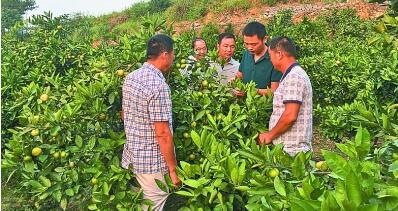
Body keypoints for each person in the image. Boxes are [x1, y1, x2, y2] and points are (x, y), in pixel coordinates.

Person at [121, 34, 181, 211]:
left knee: (142, 203)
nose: (173, 57)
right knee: (154, 205)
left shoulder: (131, 77)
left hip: (134, 154)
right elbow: (162, 133)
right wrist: (172, 169)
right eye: (173, 53)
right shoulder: (158, 86)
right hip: (152, 161)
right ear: (164, 55)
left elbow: (125, 114)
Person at [258, 36, 313, 156]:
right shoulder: (290, 75)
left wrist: (270, 135)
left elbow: (290, 116)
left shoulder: (294, 77)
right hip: (287, 148)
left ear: (279, 54)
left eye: (270, 55)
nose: (270, 60)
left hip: (293, 151)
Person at [235, 21, 282, 96]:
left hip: (264, 106)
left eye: (254, 44)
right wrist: (233, 81)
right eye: (246, 44)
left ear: (265, 39)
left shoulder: (274, 58)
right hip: (246, 105)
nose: (250, 48)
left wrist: (251, 90)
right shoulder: (246, 54)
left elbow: (274, 90)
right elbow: (240, 74)